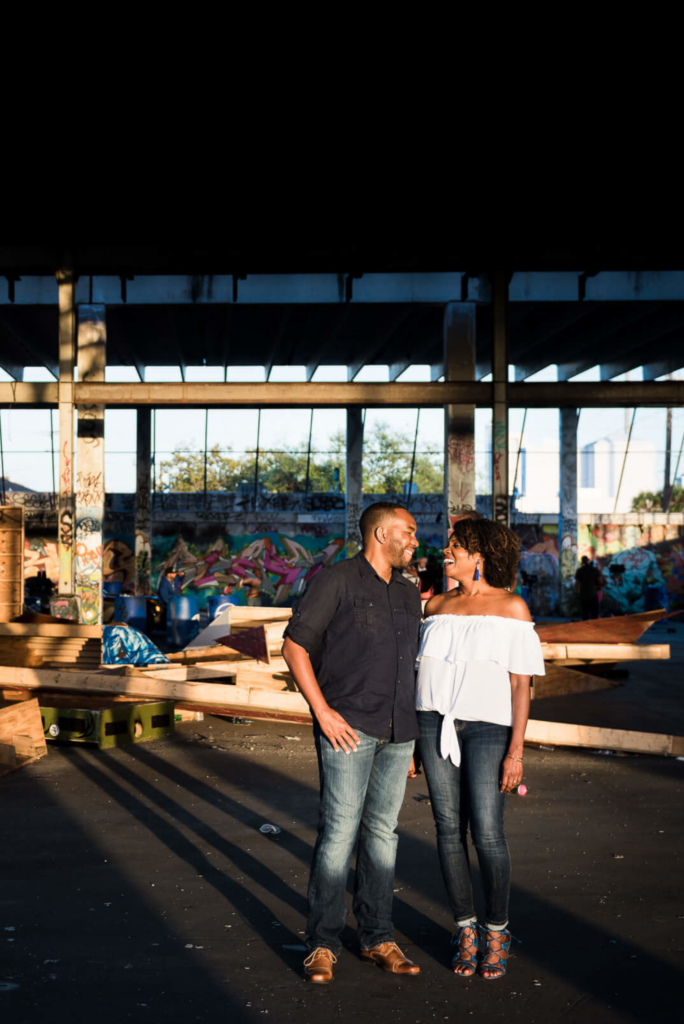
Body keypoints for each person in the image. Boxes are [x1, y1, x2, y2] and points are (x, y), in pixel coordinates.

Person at [282, 502, 422, 985]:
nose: (415, 541)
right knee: (340, 833)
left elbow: (412, 665)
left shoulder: (408, 590)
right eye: (408, 532)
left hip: (398, 730)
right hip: (349, 727)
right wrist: (322, 712)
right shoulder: (337, 580)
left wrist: (413, 735)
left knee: (383, 836)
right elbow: (294, 646)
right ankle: (321, 943)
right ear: (381, 534)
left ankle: (376, 937)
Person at [416, 517, 544, 980]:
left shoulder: (512, 607)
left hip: (490, 728)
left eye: (456, 547)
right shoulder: (435, 607)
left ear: (480, 557)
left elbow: (520, 686)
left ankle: (497, 930)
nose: (445, 551)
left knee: (487, 831)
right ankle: (465, 930)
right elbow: (418, 674)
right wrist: (414, 743)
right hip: (432, 723)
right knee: (448, 828)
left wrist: (516, 751)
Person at [575, 555, 602, 620]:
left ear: (582, 562)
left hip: (583, 595)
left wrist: (578, 593)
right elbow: (600, 581)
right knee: (594, 614)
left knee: (585, 614)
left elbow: (577, 583)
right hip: (593, 594)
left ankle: (585, 628)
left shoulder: (580, 571)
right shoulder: (595, 570)